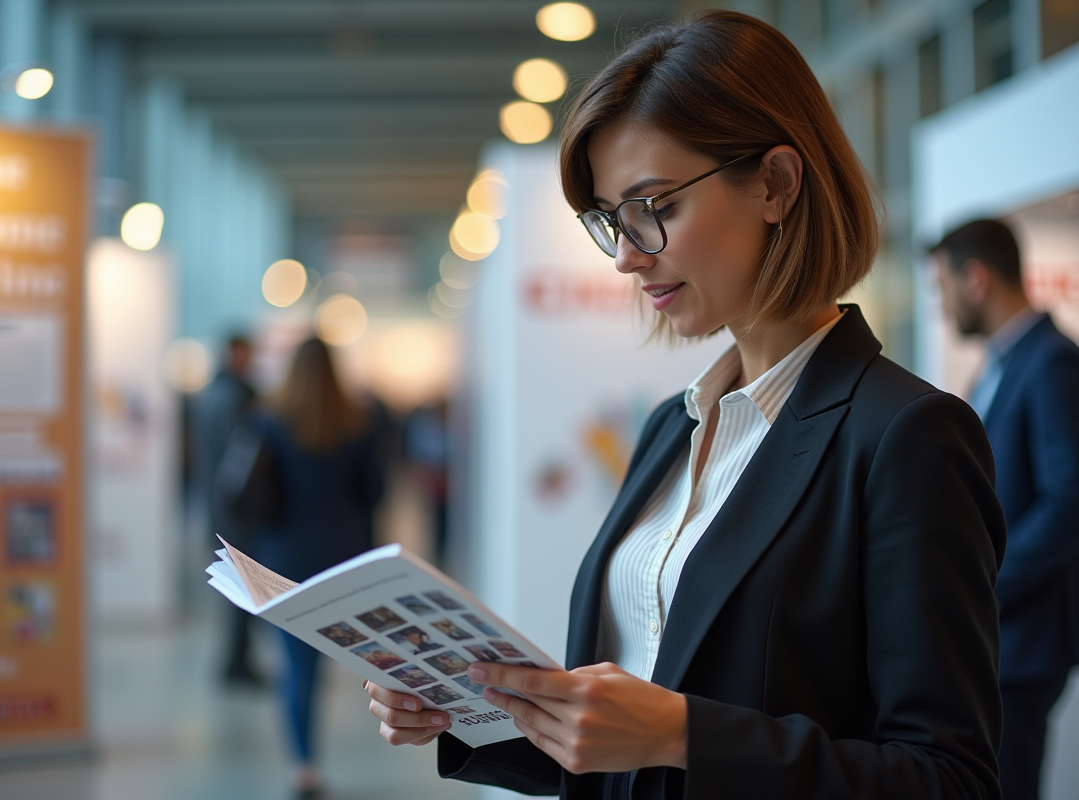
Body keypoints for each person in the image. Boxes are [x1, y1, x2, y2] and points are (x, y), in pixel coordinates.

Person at [363, 12, 1006, 799]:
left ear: (775, 184)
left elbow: (949, 778)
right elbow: (627, 737)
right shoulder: (679, 423)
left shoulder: (905, 436)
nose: (629, 255)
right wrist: (470, 711)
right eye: (611, 220)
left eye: (655, 206)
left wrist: (683, 733)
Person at [931, 218, 1079, 800]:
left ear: (976, 279)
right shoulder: (1002, 363)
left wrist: (982, 584)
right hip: (997, 637)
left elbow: (1069, 502)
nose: (941, 306)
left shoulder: (1050, 364)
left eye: (942, 286)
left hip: (1023, 641)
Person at [253, 336, 384, 798]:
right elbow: (374, 492)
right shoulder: (358, 421)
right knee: (342, 654)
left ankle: (303, 765)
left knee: (295, 667)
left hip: (284, 554)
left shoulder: (271, 419)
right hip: (342, 555)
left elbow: (258, 490)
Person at [192, 333, 262, 687]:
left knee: (236, 589)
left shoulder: (210, 395)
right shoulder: (238, 398)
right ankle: (238, 663)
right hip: (237, 511)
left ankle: (237, 660)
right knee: (244, 591)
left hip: (218, 508)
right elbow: (242, 459)